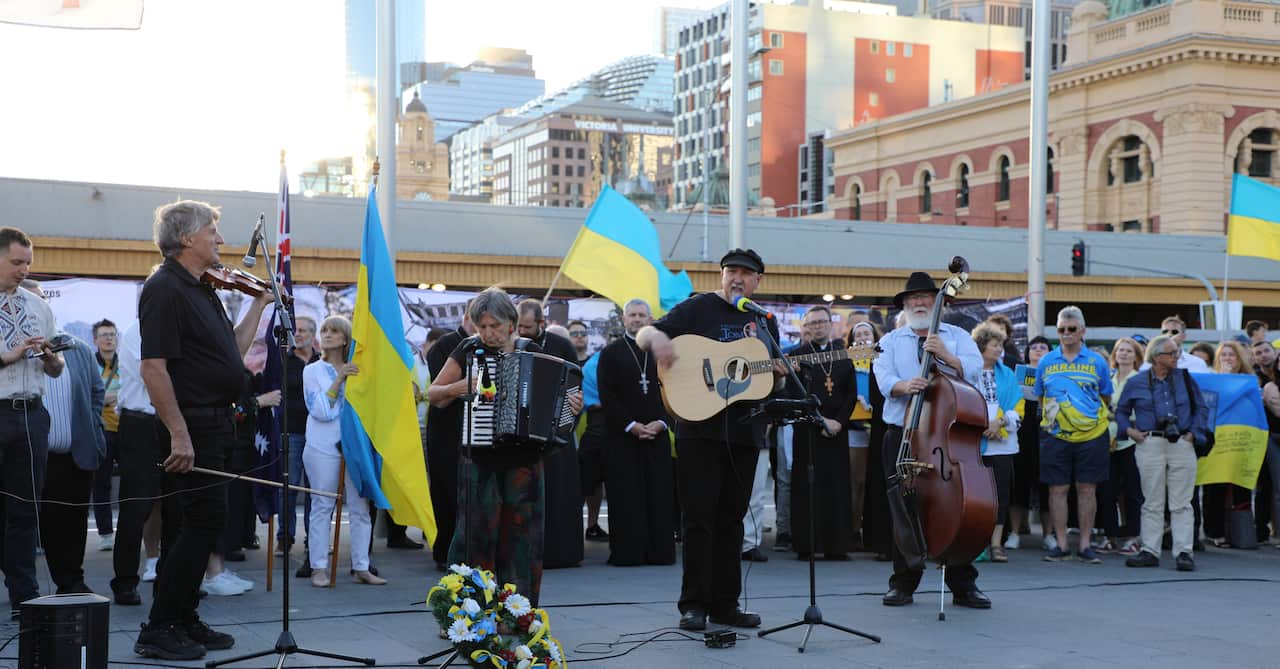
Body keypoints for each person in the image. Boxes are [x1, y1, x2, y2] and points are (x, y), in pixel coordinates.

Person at [134, 201, 271, 661]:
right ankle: (159, 627)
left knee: (198, 524)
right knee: (202, 522)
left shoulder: (202, 287)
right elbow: (153, 369)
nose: (221, 239)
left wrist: (259, 304)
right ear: (186, 237)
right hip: (192, 422)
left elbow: (233, 351)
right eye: (213, 230)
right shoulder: (164, 288)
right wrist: (179, 434)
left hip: (216, 420)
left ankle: (183, 616)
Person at [638, 248, 781, 631]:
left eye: (745, 273)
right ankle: (694, 605)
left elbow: (766, 382)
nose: (737, 278)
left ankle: (725, 605)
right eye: (731, 271)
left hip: (745, 433)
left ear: (757, 280)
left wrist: (779, 376)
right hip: (698, 430)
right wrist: (656, 340)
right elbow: (645, 331)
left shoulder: (763, 321)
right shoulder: (698, 307)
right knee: (699, 520)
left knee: (733, 522)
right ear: (722, 275)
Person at [428, 288, 583, 605]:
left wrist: (570, 406)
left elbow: (560, 404)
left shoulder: (532, 350)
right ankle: (470, 611)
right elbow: (434, 394)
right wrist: (460, 387)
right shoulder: (468, 350)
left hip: (525, 461)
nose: (488, 333)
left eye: (495, 326)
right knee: (474, 539)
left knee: (523, 540)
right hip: (480, 459)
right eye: (482, 326)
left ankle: (518, 611)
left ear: (511, 323)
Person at [873, 271, 988, 609]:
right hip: (903, 434)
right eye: (913, 299)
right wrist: (904, 386)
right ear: (905, 305)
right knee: (904, 508)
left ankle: (963, 584)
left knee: (955, 505)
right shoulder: (891, 340)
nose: (919, 303)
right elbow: (883, 378)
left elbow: (975, 369)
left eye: (925, 297)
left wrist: (947, 357)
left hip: (943, 436)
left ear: (939, 302)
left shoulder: (957, 336)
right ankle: (903, 583)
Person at [0, 228, 65, 622]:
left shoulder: (38, 305)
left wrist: (51, 359)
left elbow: (56, 366)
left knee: (25, 509)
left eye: (28, 263)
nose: (24, 269)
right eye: (16, 262)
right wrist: (8, 356)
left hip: (31, 413)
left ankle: (25, 596)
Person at [300, 315, 384, 588]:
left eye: (334, 331)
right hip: (322, 446)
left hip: (355, 446)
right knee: (322, 506)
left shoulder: (359, 369)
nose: (326, 334)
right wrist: (339, 379)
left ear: (346, 338)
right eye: (324, 330)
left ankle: (361, 566)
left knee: (360, 506)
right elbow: (321, 411)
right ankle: (318, 567)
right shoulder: (312, 371)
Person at [1117, 335, 1209, 571]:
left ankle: (1184, 552)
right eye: (1172, 353)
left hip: (1182, 442)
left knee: (1182, 502)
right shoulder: (1137, 382)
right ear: (1157, 357)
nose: (1177, 357)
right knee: (1152, 501)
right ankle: (1150, 550)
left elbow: (1201, 408)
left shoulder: (1185, 378)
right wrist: (1130, 431)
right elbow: (1121, 411)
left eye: (1177, 352)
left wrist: (1193, 434)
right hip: (1149, 442)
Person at [598, 298, 675, 566]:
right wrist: (631, 425)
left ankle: (659, 552)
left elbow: (676, 391)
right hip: (623, 437)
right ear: (624, 319)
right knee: (626, 496)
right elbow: (607, 395)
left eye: (642, 315)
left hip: (657, 434)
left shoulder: (663, 352)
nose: (637, 319)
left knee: (658, 495)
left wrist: (662, 421)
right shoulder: (611, 353)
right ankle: (628, 553)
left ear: (650, 319)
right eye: (632, 315)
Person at [1035, 306, 1113, 564]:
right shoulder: (1046, 361)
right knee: (1057, 489)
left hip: (1092, 435)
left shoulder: (1097, 362)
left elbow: (1105, 395)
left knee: (1087, 489)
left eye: (1071, 329)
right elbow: (1040, 395)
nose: (1066, 333)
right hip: (1055, 435)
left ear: (1082, 331)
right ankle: (1061, 545)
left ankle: (1085, 545)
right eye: (1061, 329)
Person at [35, 315, 106, 593]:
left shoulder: (77, 348)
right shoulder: (14, 352)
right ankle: (25, 586)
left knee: (74, 519)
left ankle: (73, 580)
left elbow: (96, 391)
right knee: (37, 521)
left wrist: (92, 427)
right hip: (34, 455)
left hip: (75, 453)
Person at [516, 299, 586, 566]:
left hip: (557, 430)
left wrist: (567, 416)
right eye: (519, 326)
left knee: (560, 492)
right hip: (523, 433)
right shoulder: (514, 344)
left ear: (541, 323)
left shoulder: (561, 345)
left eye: (527, 326)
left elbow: (575, 384)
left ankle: (562, 553)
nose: (522, 331)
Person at [789, 306, 857, 560]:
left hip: (837, 432)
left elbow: (850, 394)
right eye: (813, 323)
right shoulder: (797, 357)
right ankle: (807, 545)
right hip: (808, 431)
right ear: (806, 327)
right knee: (807, 487)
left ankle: (836, 545)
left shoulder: (842, 356)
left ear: (830, 324)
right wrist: (821, 421)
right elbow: (795, 394)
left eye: (822, 322)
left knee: (836, 487)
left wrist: (838, 421)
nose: (818, 326)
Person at [109, 319, 162, 606]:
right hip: (141, 423)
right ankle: (125, 581)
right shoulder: (137, 331)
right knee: (136, 506)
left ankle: (172, 578)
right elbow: (154, 374)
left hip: (170, 422)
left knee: (177, 505)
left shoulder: (179, 326)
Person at [424, 307, 474, 572]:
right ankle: (444, 551)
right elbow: (436, 392)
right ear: (466, 318)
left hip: (473, 433)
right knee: (446, 492)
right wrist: (462, 386)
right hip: (446, 432)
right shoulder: (445, 345)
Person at [971, 322, 1021, 563]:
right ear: (982, 346)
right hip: (974, 445)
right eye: (994, 345)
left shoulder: (1008, 374)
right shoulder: (968, 374)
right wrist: (983, 427)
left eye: (1001, 345)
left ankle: (996, 544)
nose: (1000, 349)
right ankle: (976, 543)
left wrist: (999, 423)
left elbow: (1018, 407)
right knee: (977, 497)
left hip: (1003, 445)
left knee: (1001, 495)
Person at [1097, 338, 1145, 557]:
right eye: (1120, 350)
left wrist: (1114, 413)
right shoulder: (1108, 378)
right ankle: (1109, 536)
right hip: (1107, 440)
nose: (1124, 354)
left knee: (1133, 492)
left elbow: (1139, 410)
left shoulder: (1140, 379)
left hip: (1132, 441)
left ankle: (1133, 537)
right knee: (1107, 491)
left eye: (1128, 351)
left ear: (1136, 356)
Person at [279, 315, 319, 553]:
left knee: (315, 489)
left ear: (313, 335)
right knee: (289, 487)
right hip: (292, 432)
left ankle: (313, 540)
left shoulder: (322, 361)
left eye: (303, 330)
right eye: (296, 330)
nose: (298, 334)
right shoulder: (283, 361)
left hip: (318, 434)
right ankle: (284, 537)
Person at [1007, 336, 1051, 551]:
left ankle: (1049, 535)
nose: (1038, 350)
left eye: (1043, 347)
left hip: (1047, 432)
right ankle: (1014, 533)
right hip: (1022, 432)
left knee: (1047, 486)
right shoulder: (1019, 372)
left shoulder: (1054, 372)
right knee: (1019, 484)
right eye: (1034, 347)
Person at [847, 321, 880, 552]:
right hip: (856, 428)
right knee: (857, 482)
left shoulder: (883, 360)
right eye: (857, 334)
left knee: (874, 482)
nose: (862, 337)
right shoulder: (848, 362)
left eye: (866, 333)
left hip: (879, 427)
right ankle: (854, 528)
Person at [91, 319, 121, 552]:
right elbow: (92, 395)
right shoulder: (91, 364)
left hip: (129, 429)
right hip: (102, 430)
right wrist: (114, 395)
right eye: (104, 335)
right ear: (95, 340)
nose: (109, 338)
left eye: (112, 334)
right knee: (101, 483)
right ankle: (105, 533)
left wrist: (109, 396)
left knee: (135, 482)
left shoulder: (126, 362)